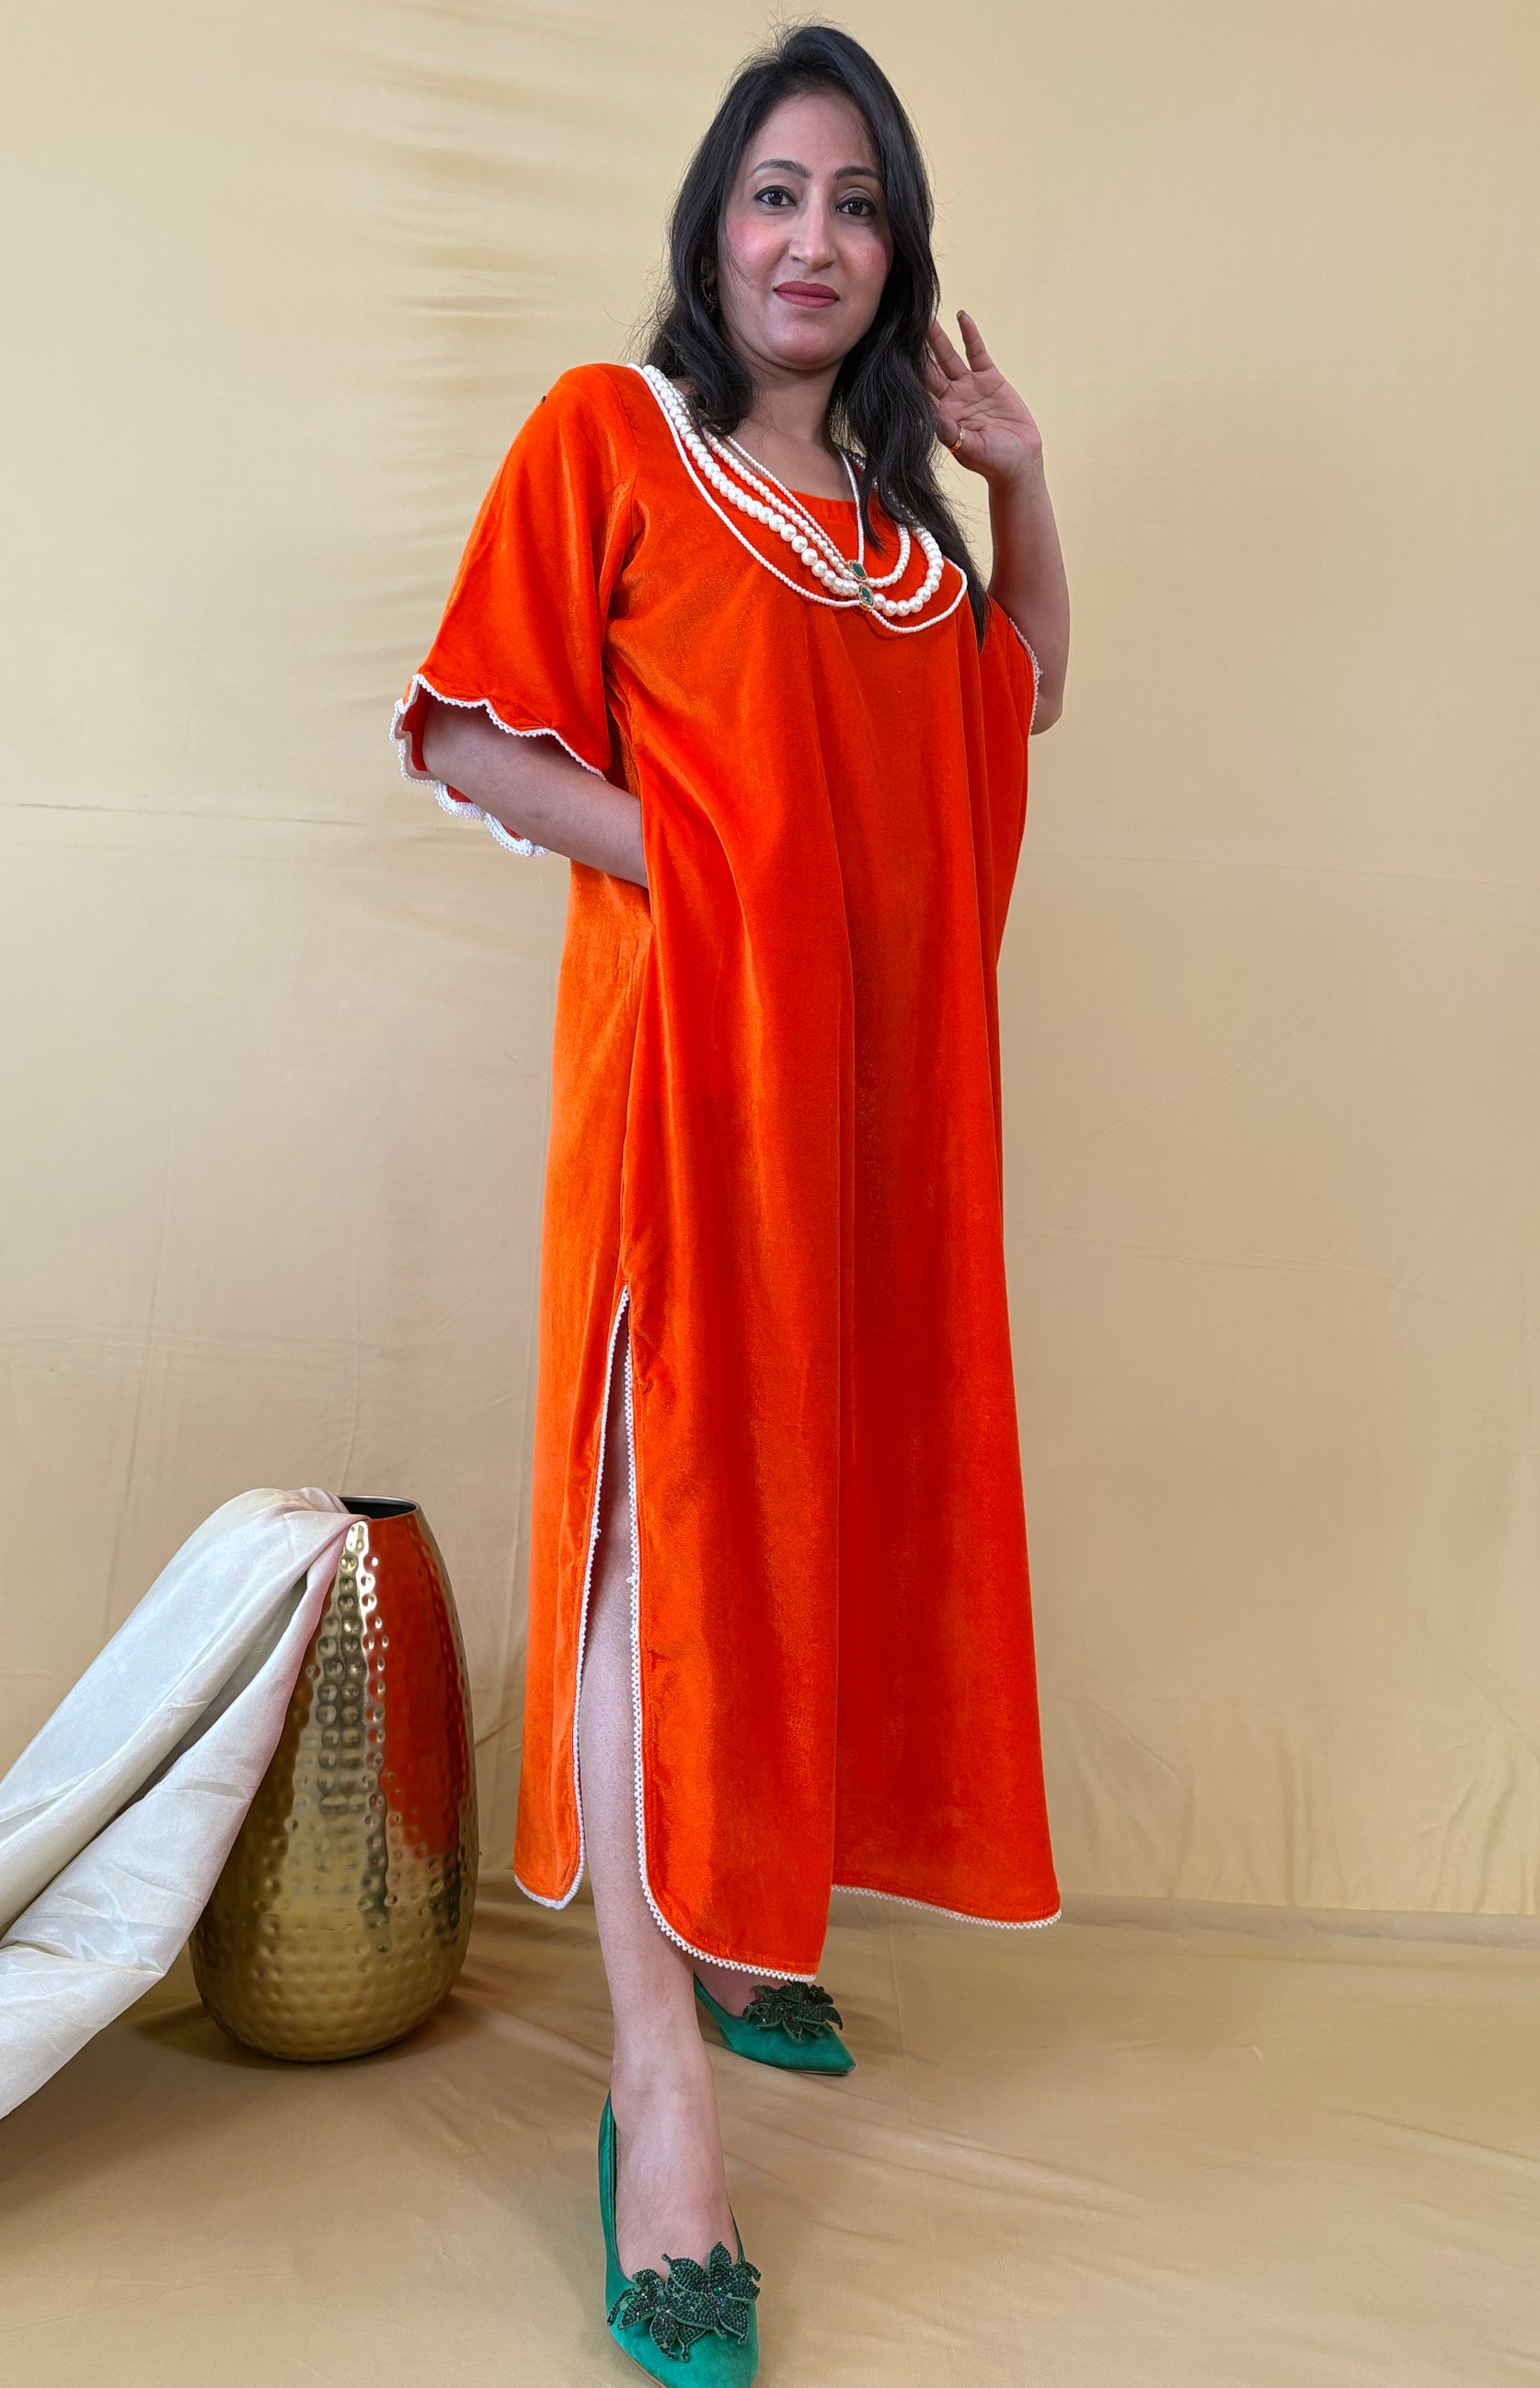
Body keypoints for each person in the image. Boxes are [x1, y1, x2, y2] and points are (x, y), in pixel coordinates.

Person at [393, 22, 1070, 2380]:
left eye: (856, 206)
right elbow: (470, 732)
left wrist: (1019, 481)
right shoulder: (615, 435)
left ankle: (746, 1909)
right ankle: (656, 2086)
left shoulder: (894, 543)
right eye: (775, 193)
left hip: (863, 1117)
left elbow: (1013, 699)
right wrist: (714, 868)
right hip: (684, 1082)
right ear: (712, 225)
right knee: (652, 1532)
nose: (812, 239)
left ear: (895, 258)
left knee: (806, 1502)